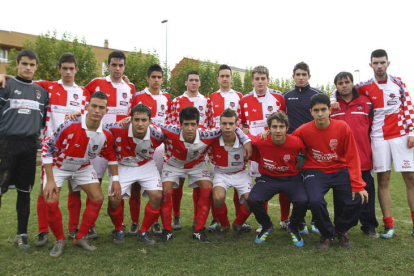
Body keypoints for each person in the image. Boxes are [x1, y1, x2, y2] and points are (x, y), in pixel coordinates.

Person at [0, 53, 89, 247]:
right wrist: (3, 75)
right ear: (59, 69)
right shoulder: (47, 87)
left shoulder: (84, 92)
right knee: (45, 191)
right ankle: (42, 231)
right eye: (64, 68)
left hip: (75, 149)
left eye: (71, 68)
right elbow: (22, 80)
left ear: (76, 70)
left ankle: (73, 228)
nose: (67, 72)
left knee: (75, 190)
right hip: (51, 150)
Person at [331, 49, 414, 238]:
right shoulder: (365, 86)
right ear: (371, 65)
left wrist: (412, 132)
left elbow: (409, 106)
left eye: (382, 62)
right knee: (383, 180)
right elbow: (341, 89)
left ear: (388, 63)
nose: (379, 66)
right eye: (375, 63)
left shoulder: (399, 83)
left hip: (401, 135)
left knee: (410, 179)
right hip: (378, 138)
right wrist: (331, 98)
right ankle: (388, 225)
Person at [42, 91, 119, 257]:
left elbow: (110, 155)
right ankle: (59, 240)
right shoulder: (70, 123)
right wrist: (49, 180)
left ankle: (79, 237)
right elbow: (47, 149)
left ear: (106, 111)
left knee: (97, 198)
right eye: (94, 106)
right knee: (50, 199)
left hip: (82, 167)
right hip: (59, 166)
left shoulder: (106, 134)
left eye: (101, 107)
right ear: (87, 107)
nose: (97, 110)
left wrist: (116, 179)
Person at [157, 106, 251, 243]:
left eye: (193, 124)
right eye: (186, 124)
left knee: (207, 189)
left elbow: (231, 128)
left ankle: (199, 230)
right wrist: (129, 120)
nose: (189, 128)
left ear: (198, 124)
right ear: (180, 124)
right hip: (174, 164)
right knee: (165, 192)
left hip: (196, 164)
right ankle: (167, 231)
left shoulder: (207, 134)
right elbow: (151, 125)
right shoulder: (170, 130)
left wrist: (247, 140)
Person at [293, 93, 368, 249]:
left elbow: (353, 157)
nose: (320, 114)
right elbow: (287, 142)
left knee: (359, 197)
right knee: (315, 200)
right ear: (311, 112)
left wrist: (357, 184)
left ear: (329, 110)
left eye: (323, 109)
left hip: (340, 169)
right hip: (315, 170)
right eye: (316, 110)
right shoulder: (303, 130)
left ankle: (340, 230)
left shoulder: (342, 127)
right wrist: (266, 135)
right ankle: (327, 233)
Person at [84, 50, 135, 239]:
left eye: (121, 65)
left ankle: (118, 225)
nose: (117, 68)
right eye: (114, 65)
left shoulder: (130, 87)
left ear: (124, 67)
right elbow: (80, 95)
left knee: (118, 185)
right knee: (94, 183)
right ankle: (90, 225)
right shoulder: (96, 83)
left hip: (120, 144)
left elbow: (134, 111)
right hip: (98, 143)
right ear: (108, 65)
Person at [0, 49, 48, 249]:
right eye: (24, 64)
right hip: (5, 144)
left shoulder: (42, 92)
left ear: (36, 66)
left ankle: (22, 235)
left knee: (24, 192)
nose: (28, 68)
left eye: (32, 64)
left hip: (29, 146)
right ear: (17, 65)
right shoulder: (5, 86)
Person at [239, 65, 290, 232]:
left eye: (263, 78)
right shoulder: (244, 100)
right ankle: (264, 222)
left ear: (268, 79)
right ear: (252, 80)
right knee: (261, 183)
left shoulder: (278, 98)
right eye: (257, 78)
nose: (260, 82)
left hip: (277, 147)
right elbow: (243, 126)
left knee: (283, 180)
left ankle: (285, 219)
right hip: (256, 149)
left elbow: (285, 122)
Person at [247, 112, 309, 246]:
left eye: (281, 126)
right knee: (253, 199)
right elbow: (246, 135)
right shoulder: (261, 140)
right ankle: (266, 225)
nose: (278, 130)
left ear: (287, 128)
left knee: (303, 200)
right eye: (274, 127)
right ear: (269, 128)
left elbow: (305, 153)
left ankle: (293, 227)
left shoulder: (296, 142)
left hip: (292, 178)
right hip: (269, 178)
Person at [105, 104, 164, 245]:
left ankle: (143, 231)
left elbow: (177, 131)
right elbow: (95, 126)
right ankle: (119, 229)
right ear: (130, 119)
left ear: (150, 121)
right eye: (136, 119)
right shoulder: (117, 128)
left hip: (146, 165)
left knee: (157, 196)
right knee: (114, 199)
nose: (140, 123)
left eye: (144, 120)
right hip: (124, 165)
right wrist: (77, 115)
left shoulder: (158, 133)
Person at [331, 71, 378, 237]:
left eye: (347, 82)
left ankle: (369, 225)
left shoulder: (366, 103)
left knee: (367, 194)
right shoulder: (332, 106)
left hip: (363, 158)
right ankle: (340, 228)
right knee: (340, 196)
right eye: (340, 83)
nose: (344, 85)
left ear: (352, 83)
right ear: (336, 86)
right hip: (340, 161)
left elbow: (375, 129)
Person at [165, 71, 212, 231]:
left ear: (200, 83)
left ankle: (196, 218)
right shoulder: (177, 101)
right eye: (190, 80)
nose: (193, 82)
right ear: (186, 82)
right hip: (180, 148)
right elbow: (169, 122)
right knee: (178, 183)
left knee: (199, 186)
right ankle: (176, 216)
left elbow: (211, 123)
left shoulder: (206, 101)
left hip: (199, 150)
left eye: (196, 80)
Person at [128, 64, 171, 236]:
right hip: (139, 146)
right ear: (148, 79)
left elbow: (168, 124)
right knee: (136, 186)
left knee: (156, 186)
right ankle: (134, 222)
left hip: (159, 147)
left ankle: (155, 222)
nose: (156, 80)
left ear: (162, 79)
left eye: (159, 77)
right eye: (153, 77)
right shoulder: (137, 96)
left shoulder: (166, 97)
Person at [208, 64, 252, 233]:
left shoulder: (239, 96)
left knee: (239, 191)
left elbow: (242, 121)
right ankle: (217, 220)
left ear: (232, 78)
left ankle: (238, 220)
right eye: (222, 76)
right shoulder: (211, 97)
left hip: (236, 142)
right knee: (217, 192)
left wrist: (245, 137)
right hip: (217, 144)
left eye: (228, 76)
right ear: (218, 78)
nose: (225, 79)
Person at [283, 62, 323, 234]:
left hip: (313, 146)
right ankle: (299, 221)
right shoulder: (286, 96)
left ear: (309, 76)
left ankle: (315, 220)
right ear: (293, 76)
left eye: (304, 74)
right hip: (293, 147)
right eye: (297, 74)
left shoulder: (318, 94)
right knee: (296, 183)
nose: (300, 77)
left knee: (315, 183)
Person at [209, 108, 254, 240]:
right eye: (224, 123)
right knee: (217, 197)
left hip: (241, 173)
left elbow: (260, 140)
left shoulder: (246, 140)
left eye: (231, 123)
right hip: (221, 173)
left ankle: (238, 224)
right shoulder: (212, 138)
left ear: (236, 125)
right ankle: (224, 225)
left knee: (252, 200)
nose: (227, 127)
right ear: (220, 124)